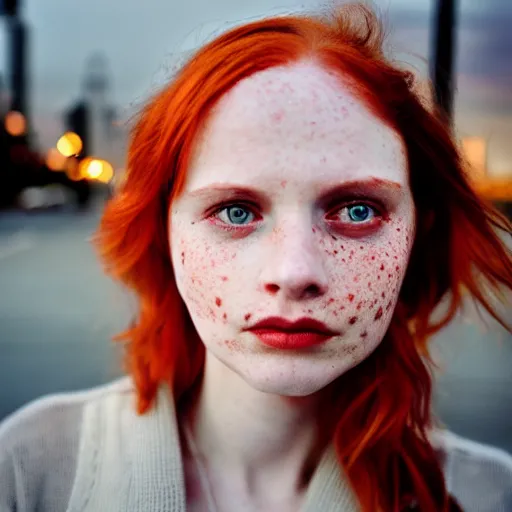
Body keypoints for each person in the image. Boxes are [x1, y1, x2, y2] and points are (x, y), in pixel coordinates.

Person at [1, 4, 511, 511]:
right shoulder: (30, 471)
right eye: (236, 211)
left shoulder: (491, 495)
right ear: (165, 232)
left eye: (357, 210)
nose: (294, 273)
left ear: (418, 234)